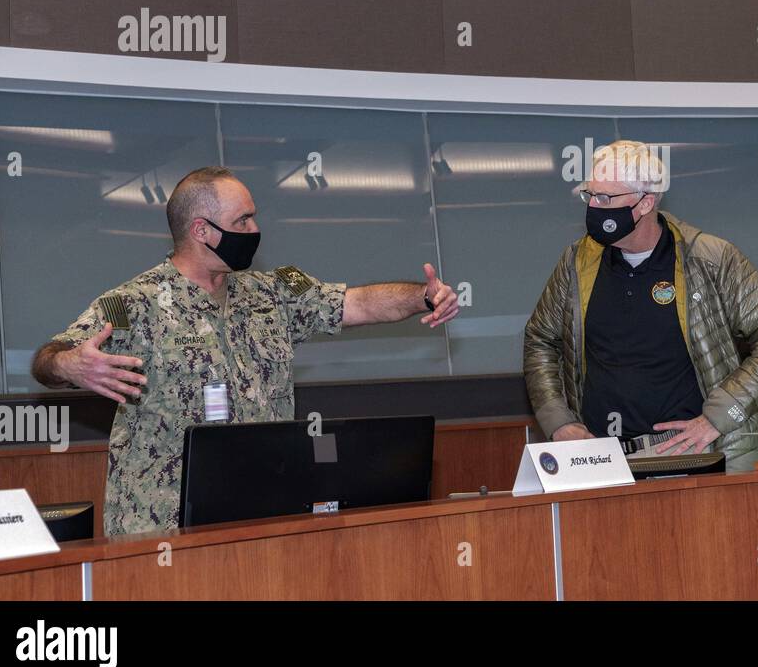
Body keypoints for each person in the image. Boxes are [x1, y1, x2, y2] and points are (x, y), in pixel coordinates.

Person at [30, 166, 459, 535]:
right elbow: (49, 359)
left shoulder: (273, 292)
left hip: (260, 512)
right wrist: (73, 364)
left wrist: (422, 297)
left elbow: (358, 303)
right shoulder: (134, 303)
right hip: (163, 526)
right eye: (243, 221)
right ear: (202, 230)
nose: (255, 231)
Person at [523, 140, 758, 472]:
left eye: (605, 198)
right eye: (590, 196)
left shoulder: (710, 258)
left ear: (646, 203)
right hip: (604, 463)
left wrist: (719, 417)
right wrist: (558, 422)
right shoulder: (576, 263)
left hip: (701, 458)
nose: (594, 208)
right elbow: (540, 340)